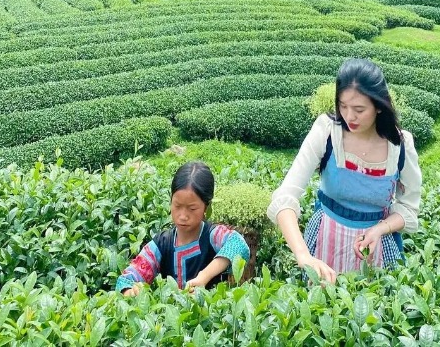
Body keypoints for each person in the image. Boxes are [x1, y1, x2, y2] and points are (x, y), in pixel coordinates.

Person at [268, 58, 422, 283]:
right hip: (324, 240)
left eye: (359, 109)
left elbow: (409, 207)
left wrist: (380, 229)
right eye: (343, 106)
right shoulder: (327, 132)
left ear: (379, 106)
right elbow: (285, 196)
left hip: (376, 246)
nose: (350, 117)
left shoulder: (400, 145)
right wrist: (304, 256)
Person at [116, 161, 250, 294]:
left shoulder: (212, 235)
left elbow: (239, 244)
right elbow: (125, 280)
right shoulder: (161, 244)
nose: (183, 216)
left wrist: (204, 276)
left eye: (192, 208)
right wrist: (131, 292)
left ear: (206, 207)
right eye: (177, 206)